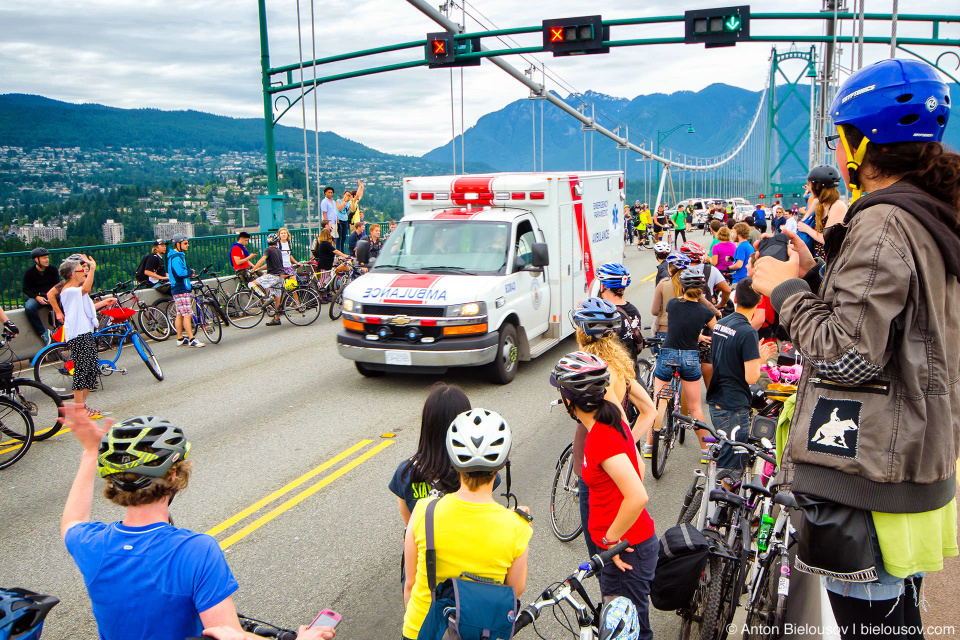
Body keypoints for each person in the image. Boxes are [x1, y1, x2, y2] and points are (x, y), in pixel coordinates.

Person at [752, 58, 959, 638]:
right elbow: (893, 326)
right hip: (913, 455)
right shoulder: (932, 215)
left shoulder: (885, 222)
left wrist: (785, 289)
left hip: (868, 471)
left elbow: (846, 353)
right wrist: (823, 271)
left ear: (858, 142)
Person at [60, 407, 337, 640]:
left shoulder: (91, 544)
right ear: (174, 475)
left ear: (112, 479)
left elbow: (73, 520)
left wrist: (89, 452)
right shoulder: (196, 550)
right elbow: (225, 633)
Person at [550, 352, 656, 639]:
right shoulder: (611, 418)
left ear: (570, 400)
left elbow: (637, 495)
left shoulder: (600, 439)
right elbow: (639, 466)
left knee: (631, 633)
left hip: (624, 552)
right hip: (622, 549)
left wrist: (611, 541)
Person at [401, 409, 531, 640]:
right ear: (502, 466)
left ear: (454, 461)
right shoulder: (517, 526)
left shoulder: (424, 510)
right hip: (477, 631)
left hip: (422, 629)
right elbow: (515, 590)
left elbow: (410, 583)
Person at [706, 278, 776, 471]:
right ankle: (719, 498)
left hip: (716, 398)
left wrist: (753, 355)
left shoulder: (723, 323)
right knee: (732, 466)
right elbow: (751, 378)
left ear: (735, 298)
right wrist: (760, 360)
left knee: (724, 454)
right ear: (760, 300)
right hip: (734, 405)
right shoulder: (747, 332)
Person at [654, 267, 717, 454]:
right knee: (696, 407)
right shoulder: (705, 312)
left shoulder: (672, 304)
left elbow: (680, 324)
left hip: (668, 355)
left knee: (658, 403)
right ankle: (706, 450)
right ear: (702, 290)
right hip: (690, 357)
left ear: (682, 288)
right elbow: (717, 331)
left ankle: (650, 445)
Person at [57, 255, 106, 418]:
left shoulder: (75, 291)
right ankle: (79, 409)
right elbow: (85, 289)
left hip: (85, 332)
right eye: (81, 269)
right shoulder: (69, 291)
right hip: (77, 334)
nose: (84, 271)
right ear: (73, 274)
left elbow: (87, 304)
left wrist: (105, 303)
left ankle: (82, 406)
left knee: (91, 369)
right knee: (82, 370)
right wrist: (92, 268)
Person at [797, 164, 848, 261]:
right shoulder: (818, 202)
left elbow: (827, 239)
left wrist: (807, 229)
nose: (809, 188)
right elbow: (803, 222)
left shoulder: (837, 206)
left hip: (831, 259)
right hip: (816, 257)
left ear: (817, 186)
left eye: (810, 185)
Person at [167, 234, 203, 348]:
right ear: (178, 244)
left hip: (177, 288)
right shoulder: (176, 258)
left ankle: (180, 338)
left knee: (180, 314)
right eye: (185, 243)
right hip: (180, 288)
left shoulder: (175, 256)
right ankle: (192, 339)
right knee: (187, 314)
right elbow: (180, 273)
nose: (188, 245)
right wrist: (189, 272)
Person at [22, 247, 59, 344]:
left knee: (64, 304)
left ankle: (61, 329)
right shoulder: (29, 273)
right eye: (43, 258)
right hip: (37, 296)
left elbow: (57, 286)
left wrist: (52, 297)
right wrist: (36, 297)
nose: (47, 260)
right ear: (36, 260)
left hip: (51, 295)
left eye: (47, 257)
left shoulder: (53, 270)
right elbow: (25, 289)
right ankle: (43, 332)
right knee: (29, 308)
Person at [249, 234, 285, 326]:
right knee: (277, 298)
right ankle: (277, 319)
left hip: (272, 276)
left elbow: (262, 260)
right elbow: (268, 265)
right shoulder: (278, 251)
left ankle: (266, 300)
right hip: (280, 276)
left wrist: (253, 269)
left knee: (251, 284)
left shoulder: (267, 250)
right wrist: (258, 269)